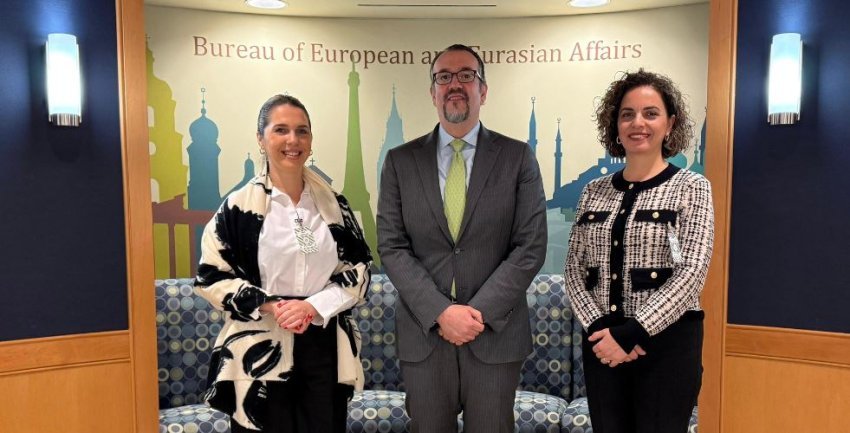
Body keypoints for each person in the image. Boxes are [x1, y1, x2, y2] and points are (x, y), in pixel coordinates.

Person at [376, 44, 548, 433]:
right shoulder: (400, 161)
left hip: (495, 335)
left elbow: (530, 246)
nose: (455, 84)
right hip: (425, 335)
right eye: (444, 77)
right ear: (432, 92)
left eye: (466, 75)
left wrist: (476, 314)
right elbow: (391, 246)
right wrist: (441, 312)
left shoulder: (517, 157)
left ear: (483, 91)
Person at [194, 94, 372, 432]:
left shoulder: (336, 206)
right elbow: (210, 277)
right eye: (281, 130)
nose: (293, 140)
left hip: (323, 343)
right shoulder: (237, 208)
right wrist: (272, 305)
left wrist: (312, 307)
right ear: (260, 139)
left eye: (302, 131)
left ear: (311, 140)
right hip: (259, 345)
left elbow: (360, 272)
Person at [564, 69, 714, 433]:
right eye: (627, 114)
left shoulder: (692, 187)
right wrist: (601, 330)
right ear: (615, 125)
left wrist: (632, 333)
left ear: (670, 123)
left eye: (651, 113)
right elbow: (574, 270)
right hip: (602, 346)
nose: (638, 123)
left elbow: (692, 271)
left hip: (667, 349)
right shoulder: (594, 191)